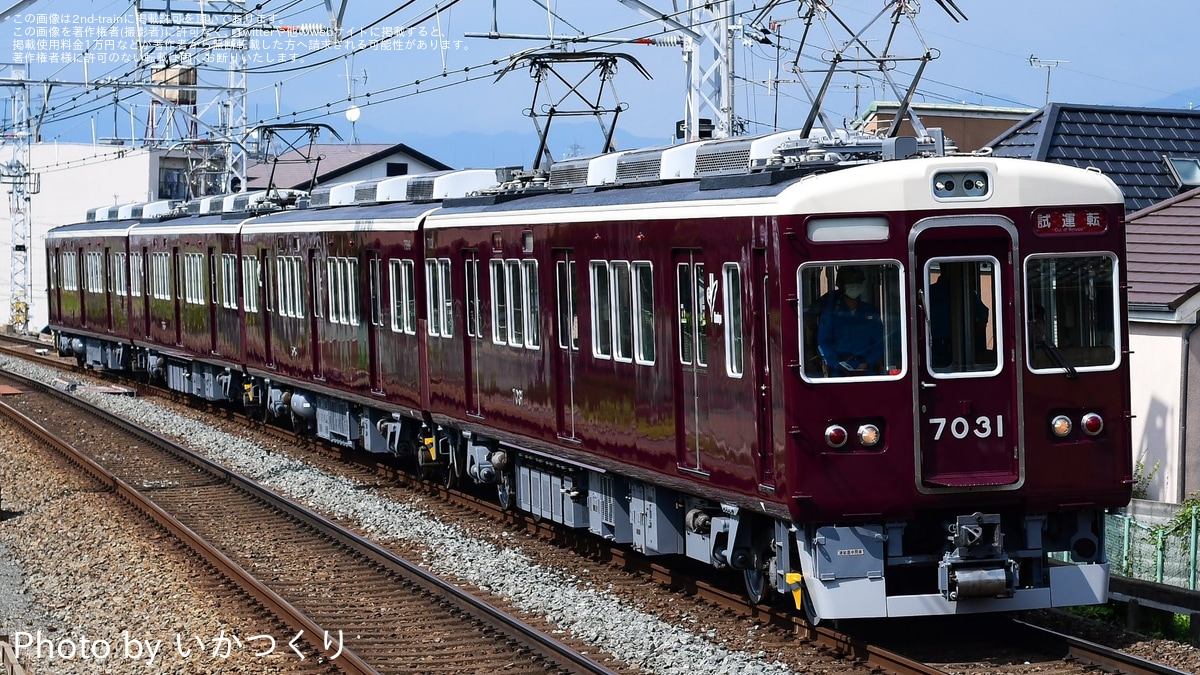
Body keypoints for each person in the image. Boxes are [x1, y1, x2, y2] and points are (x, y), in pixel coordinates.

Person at [817, 266, 884, 376]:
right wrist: (836, 365)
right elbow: (824, 343)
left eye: (858, 281)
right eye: (850, 282)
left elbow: (879, 342)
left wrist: (867, 363)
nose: (854, 285)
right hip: (838, 371)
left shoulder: (870, 311)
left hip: (867, 370)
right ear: (840, 285)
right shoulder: (830, 313)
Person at [928, 273, 989, 369]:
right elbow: (982, 315)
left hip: (937, 344)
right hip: (947, 344)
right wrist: (976, 337)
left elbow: (982, 314)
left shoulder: (929, 292)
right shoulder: (964, 292)